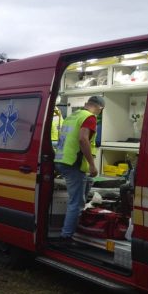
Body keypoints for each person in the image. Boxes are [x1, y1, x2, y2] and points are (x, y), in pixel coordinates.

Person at [54, 95, 105, 242]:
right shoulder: (90, 117)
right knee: (76, 203)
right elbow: (83, 139)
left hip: (62, 160)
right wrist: (92, 164)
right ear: (99, 108)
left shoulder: (72, 116)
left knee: (78, 197)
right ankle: (66, 237)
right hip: (73, 164)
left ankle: (71, 231)